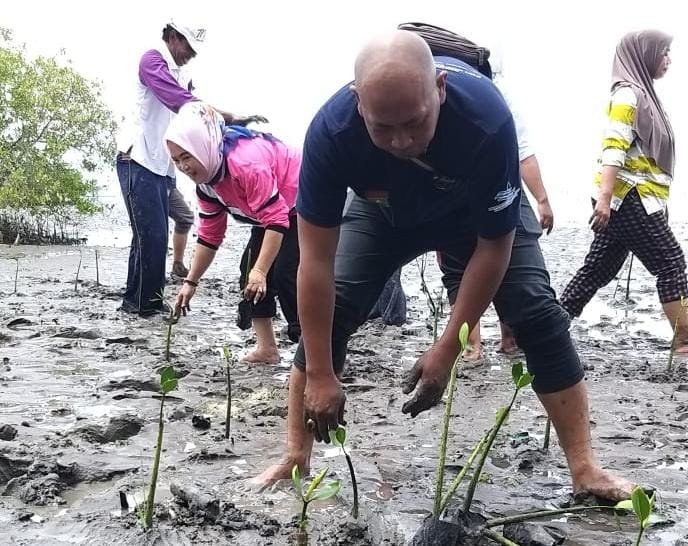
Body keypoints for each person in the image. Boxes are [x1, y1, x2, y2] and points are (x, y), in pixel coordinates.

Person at [256, 31, 633, 502]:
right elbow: (315, 262)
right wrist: (321, 375)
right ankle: (296, 457)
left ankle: (585, 469)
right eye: (382, 128)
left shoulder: (486, 120)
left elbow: (494, 247)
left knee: (535, 313)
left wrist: (448, 347)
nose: (401, 141)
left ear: (440, 88)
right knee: (338, 308)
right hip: (383, 210)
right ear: (358, 105)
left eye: (415, 123)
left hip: (474, 213)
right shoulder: (332, 134)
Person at [116, 20, 263, 316]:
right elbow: (180, 102)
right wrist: (229, 117)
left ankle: (136, 302)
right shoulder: (152, 59)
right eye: (189, 47)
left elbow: (192, 110)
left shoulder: (184, 72)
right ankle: (148, 306)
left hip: (161, 164)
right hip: (137, 159)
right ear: (173, 36)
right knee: (153, 236)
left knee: (148, 235)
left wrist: (230, 123)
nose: (191, 55)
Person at [560, 30, 688, 350]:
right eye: (663, 52)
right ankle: (685, 340)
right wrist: (604, 201)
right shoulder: (628, 95)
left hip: (631, 199)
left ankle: (549, 328)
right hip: (627, 198)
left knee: (597, 270)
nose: (668, 60)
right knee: (671, 263)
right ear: (643, 54)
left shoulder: (645, 97)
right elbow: (613, 148)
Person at [167, 102, 301, 363]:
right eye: (176, 161)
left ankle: (311, 356)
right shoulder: (206, 185)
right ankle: (267, 349)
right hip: (270, 214)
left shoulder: (245, 163)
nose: (183, 167)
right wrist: (190, 282)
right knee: (247, 272)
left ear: (203, 147)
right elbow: (210, 236)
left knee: (288, 275)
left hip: (302, 200)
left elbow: (276, 219)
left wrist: (262, 272)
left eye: (187, 157)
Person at [441, 66, 555, 360]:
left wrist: (542, 199)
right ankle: (500, 342)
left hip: (455, 194)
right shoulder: (494, 96)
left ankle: (472, 348)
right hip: (496, 190)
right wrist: (542, 200)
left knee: (461, 269)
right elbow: (523, 153)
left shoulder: (443, 94)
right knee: (507, 266)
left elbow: (523, 153)